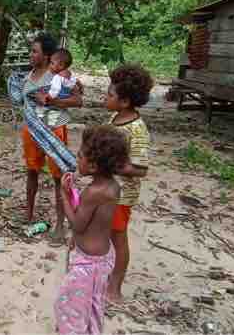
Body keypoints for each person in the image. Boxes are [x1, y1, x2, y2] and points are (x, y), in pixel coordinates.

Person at [55, 125, 127, 335]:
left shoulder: (93, 192)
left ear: (94, 166)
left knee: (69, 309)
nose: (77, 159)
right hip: (103, 259)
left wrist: (63, 194)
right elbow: (95, 222)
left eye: (80, 156)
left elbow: (78, 224)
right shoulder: (112, 187)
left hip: (87, 264)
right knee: (93, 306)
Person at [21, 35, 83, 245]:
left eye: (35, 51)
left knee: (59, 178)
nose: (31, 55)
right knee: (31, 171)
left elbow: (77, 100)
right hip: (31, 129)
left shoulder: (59, 75)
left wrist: (51, 101)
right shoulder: (29, 75)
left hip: (53, 130)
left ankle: (59, 226)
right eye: (31, 51)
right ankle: (28, 214)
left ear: (47, 56)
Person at [103, 64, 153, 302]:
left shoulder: (137, 129)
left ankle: (115, 287)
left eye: (110, 94)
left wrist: (109, 165)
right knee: (105, 233)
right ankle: (105, 275)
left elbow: (140, 169)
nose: (105, 96)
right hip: (107, 190)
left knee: (118, 237)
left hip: (121, 196)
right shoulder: (114, 117)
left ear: (124, 102)